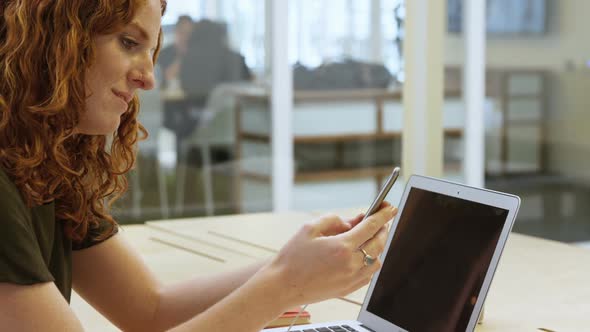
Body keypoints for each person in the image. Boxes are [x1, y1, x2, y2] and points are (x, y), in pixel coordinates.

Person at [0, 0, 396, 331]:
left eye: (150, 51)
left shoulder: (45, 165)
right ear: (54, 38)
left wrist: (299, 265)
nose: (148, 78)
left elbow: (151, 310)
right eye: (127, 42)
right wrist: (287, 284)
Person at [157, 14, 194, 90]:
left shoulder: (196, 54)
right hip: (169, 99)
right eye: (182, 32)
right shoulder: (163, 54)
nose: (185, 37)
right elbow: (165, 79)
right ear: (176, 32)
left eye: (189, 33)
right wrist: (181, 58)